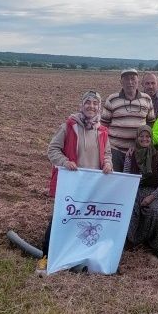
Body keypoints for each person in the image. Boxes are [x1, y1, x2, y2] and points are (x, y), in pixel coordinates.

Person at [38, 91, 113, 275]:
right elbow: (52, 150)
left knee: (85, 222)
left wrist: (108, 164)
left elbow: (107, 154)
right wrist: (64, 162)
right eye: (88, 103)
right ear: (82, 105)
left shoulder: (102, 131)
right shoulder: (69, 126)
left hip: (92, 186)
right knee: (60, 219)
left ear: (99, 107)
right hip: (71, 185)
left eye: (95, 103)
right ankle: (45, 258)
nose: (91, 106)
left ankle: (76, 256)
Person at [123, 125, 158, 261]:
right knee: (129, 209)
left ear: (151, 138)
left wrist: (152, 197)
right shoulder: (130, 155)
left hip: (153, 192)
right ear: (137, 138)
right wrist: (131, 195)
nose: (144, 139)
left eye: (147, 136)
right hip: (133, 190)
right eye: (141, 136)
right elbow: (126, 177)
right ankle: (129, 241)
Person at [101, 68, 156, 173]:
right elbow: (103, 126)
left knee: (133, 184)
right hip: (115, 151)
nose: (130, 82)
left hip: (138, 152)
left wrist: (141, 145)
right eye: (126, 79)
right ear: (121, 82)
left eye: (133, 78)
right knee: (114, 181)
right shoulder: (112, 99)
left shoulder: (147, 99)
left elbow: (151, 124)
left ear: (138, 81)